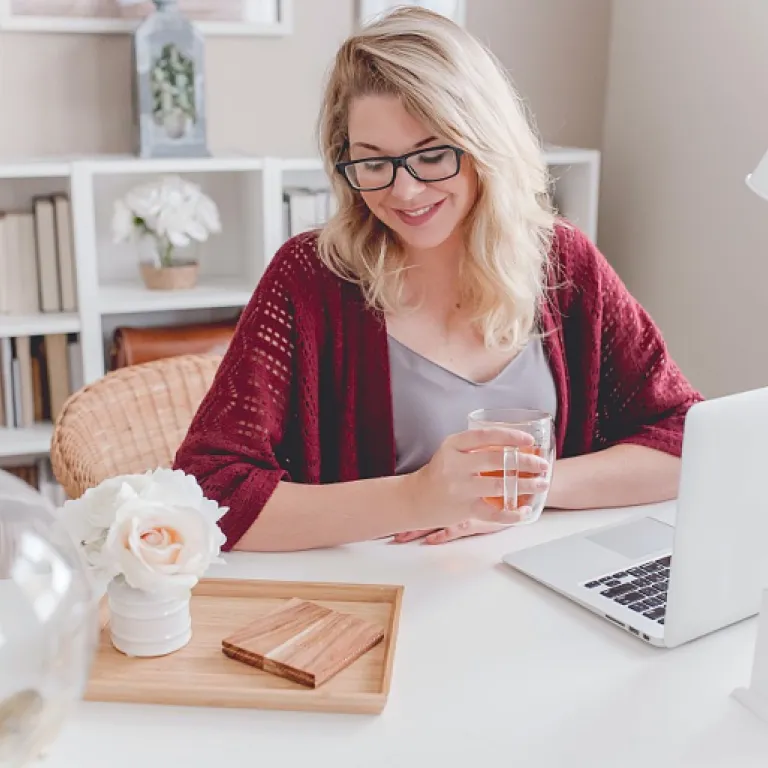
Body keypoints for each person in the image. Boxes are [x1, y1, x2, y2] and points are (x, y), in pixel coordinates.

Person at [172, 7, 703, 552]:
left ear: (484, 145)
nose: (403, 192)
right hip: (376, 605)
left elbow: (688, 439)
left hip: (534, 590)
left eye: (432, 155)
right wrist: (416, 497)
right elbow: (208, 492)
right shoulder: (309, 279)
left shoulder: (564, 264)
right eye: (373, 162)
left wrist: (524, 489)